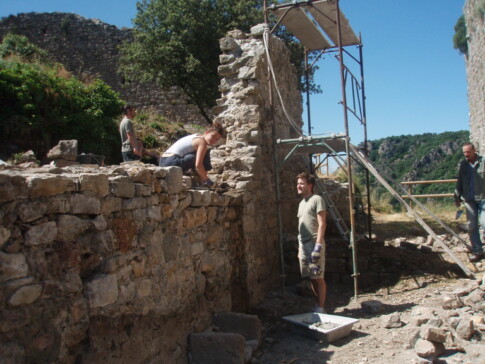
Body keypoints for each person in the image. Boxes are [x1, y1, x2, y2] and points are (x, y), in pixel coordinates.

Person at [296, 172, 328, 313]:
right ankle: (317, 306)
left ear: (310, 185)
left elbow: (322, 224)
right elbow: (300, 226)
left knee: (318, 277)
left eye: (302, 183)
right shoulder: (301, 203)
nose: (298, 186)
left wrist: (318, 246)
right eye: (298, 183)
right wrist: (299, 249)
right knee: (312, 277)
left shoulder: (317, 199)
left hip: (314, 244)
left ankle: (321, 308)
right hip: (304, 246)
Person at [159, 122, 224, 186]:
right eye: (213, 136)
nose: (214, 140)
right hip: (172, 162)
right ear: (207, 133)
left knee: (200, 154)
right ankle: (204, 181)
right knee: (205, 153)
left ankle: (199, 176)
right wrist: (207, 180)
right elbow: (198, 165)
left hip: (162, 161)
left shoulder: (195, 136)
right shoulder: (202, 143)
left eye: (217, 139)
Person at [454, 142, 484, 262]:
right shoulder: (463, 164)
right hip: (469, 199)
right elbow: (460, 180)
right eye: (464, 152)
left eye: (468, 152)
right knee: (472, 226)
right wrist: (457, 195)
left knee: (484, 222)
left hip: (483, 197)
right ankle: (477, 251)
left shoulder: (483, 162)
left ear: (474, 151)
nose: (466, 154)